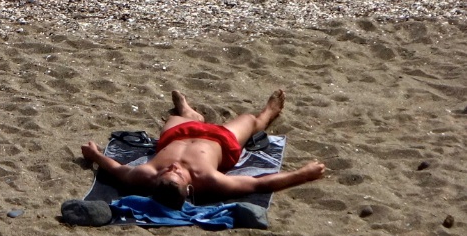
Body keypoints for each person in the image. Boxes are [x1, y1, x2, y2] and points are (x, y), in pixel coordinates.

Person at [80, 89, 326, 205]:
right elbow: (259, 184)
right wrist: (302, 175)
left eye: (167, 172)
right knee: (250, 121)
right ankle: (268, 113)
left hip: (177, 135)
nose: (172, 168)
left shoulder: (147, 175)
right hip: (221, 141)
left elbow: (117, 170)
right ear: (189, 187)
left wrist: (96, 155)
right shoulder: (209, 180)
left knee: (177, 119)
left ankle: (189, 113)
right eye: (176, 174)